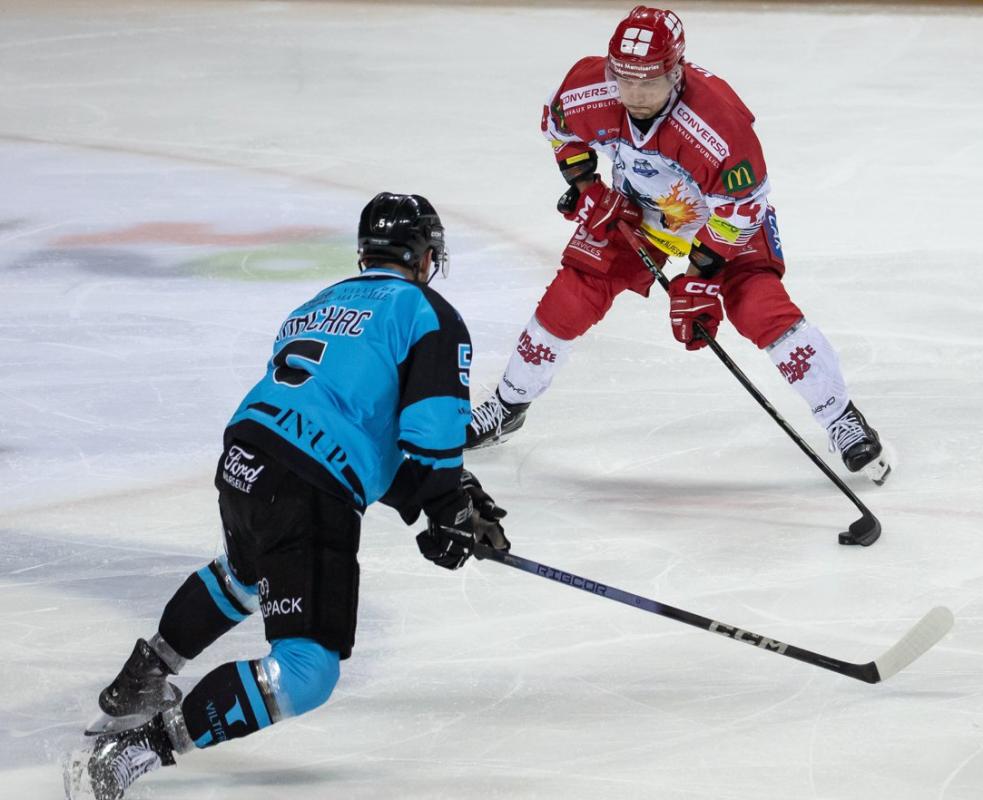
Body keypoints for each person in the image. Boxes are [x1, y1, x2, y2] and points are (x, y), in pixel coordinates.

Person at [63, 193, 511, 800]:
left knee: (245, 573)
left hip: (245, 456)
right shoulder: (427, 313)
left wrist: (436, 502)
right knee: (306, 672)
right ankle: (134, 751)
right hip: (305, 486)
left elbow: (350, 429)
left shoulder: (316, 305)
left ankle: (138, 682)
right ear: (425, 255)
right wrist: (447, 504)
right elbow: (429, 434)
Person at [466, 5, 890, 485]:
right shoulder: (589, 89)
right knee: (572, 295)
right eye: (624, 79)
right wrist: (589, 190)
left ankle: (840, 417)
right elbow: (558, 128)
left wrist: (700, 277)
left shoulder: (718, 125)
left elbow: (742, 210)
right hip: (639, 212)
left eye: (648, 82)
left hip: (721, 222)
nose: (633, 94)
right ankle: (508, 404)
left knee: (759, 307)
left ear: (676, 72)